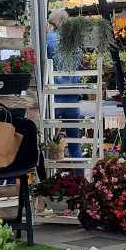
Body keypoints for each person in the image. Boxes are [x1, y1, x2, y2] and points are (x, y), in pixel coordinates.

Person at [46, 8, 84, 159]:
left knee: (48, 141)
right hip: (72, 96)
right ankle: (79, 172)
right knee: (75, 144)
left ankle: (49, 172)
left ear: (53, 22)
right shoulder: (73, 40)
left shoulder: (48, 38)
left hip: (54, 96)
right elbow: (79, 64)